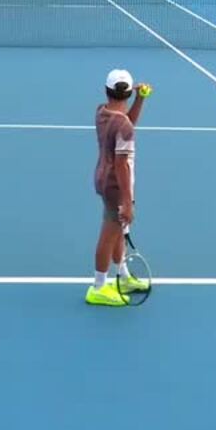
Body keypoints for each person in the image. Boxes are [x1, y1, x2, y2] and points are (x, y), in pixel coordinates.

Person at [87, 69, 152, 307]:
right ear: (127, 92)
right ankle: (99, 287)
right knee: (109, 234)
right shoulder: (123, 126)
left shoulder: (102, 113)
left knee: (117, 232)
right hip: (116, 185)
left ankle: (122, 276)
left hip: (103, 179)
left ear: (107, 91)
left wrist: (140, 99)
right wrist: (126, 201)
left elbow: (127, 122)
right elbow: (121, 164)